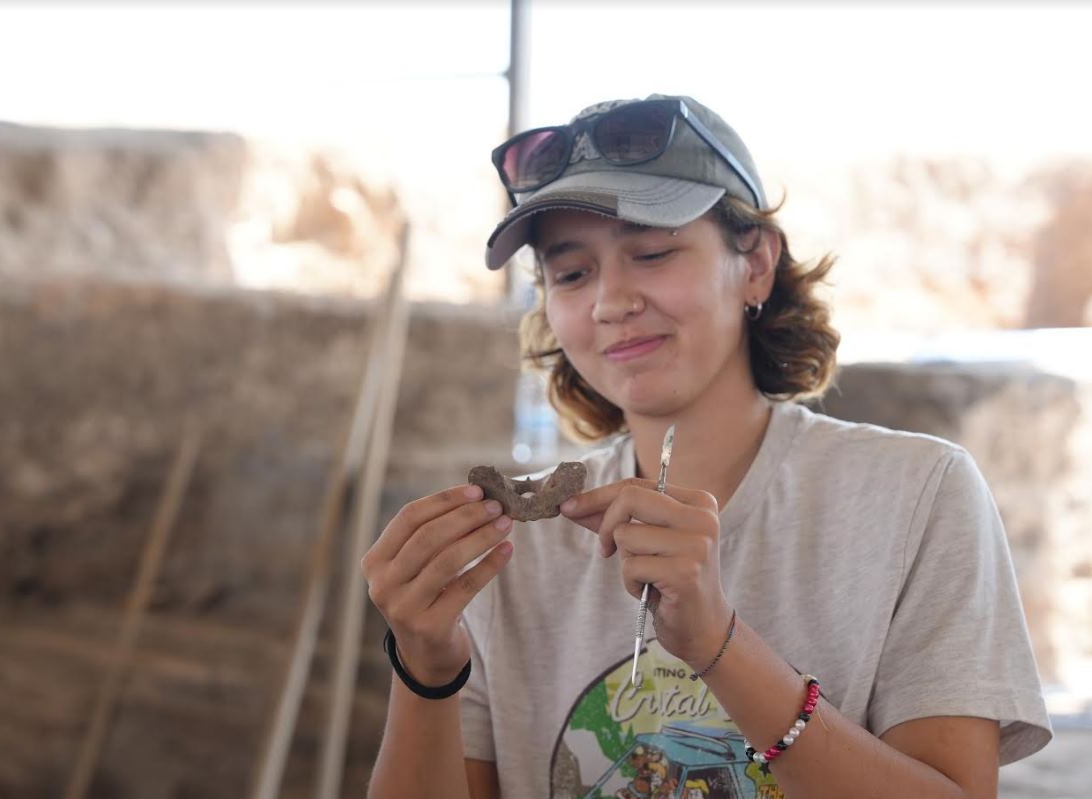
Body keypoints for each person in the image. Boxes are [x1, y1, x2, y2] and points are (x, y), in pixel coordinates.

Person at [361, 93, 1052, 799]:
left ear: (755, 264)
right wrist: (425, 666)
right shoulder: (513, 552)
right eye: (571, 273)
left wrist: (720, 642)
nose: (610, 300)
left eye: (652, 252)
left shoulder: (916, 496)